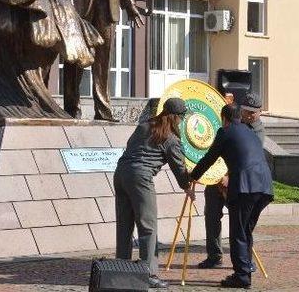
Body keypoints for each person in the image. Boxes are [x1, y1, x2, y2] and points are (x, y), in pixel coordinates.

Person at [114, 98, 194, 288]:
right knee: (148, 227)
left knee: (124, 225)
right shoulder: (171, 139)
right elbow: (180, 169)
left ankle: (121, 269)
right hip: (141, 178)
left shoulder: (144, 126)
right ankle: (148, 274)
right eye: (182, 118)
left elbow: (131, 146)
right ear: (177, 117)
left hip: (121, 173)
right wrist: (187, 187)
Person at [191, 104, 273, 289]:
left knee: (238, 232)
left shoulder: (225, 132)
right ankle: (245, 270)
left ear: (224, 118)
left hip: (245, 187)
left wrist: (192, 176)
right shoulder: (249, 132)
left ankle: (241, 276)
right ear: (240, 117)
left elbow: (209, 159)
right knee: (246, 230)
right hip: (265, 186)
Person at [198, 93, 265, 270]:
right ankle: (214, 255)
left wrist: (228, 177)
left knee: (242, 225)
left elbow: (247, 159)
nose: (249, 115)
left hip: (240, 182)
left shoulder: (256, 131)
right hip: (217, 177)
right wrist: (216, 175)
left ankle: (245, 262)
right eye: (246, 111)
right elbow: (217, 150)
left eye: (253, 113)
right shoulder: (230, 125)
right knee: (211, 215)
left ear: (260, 112)